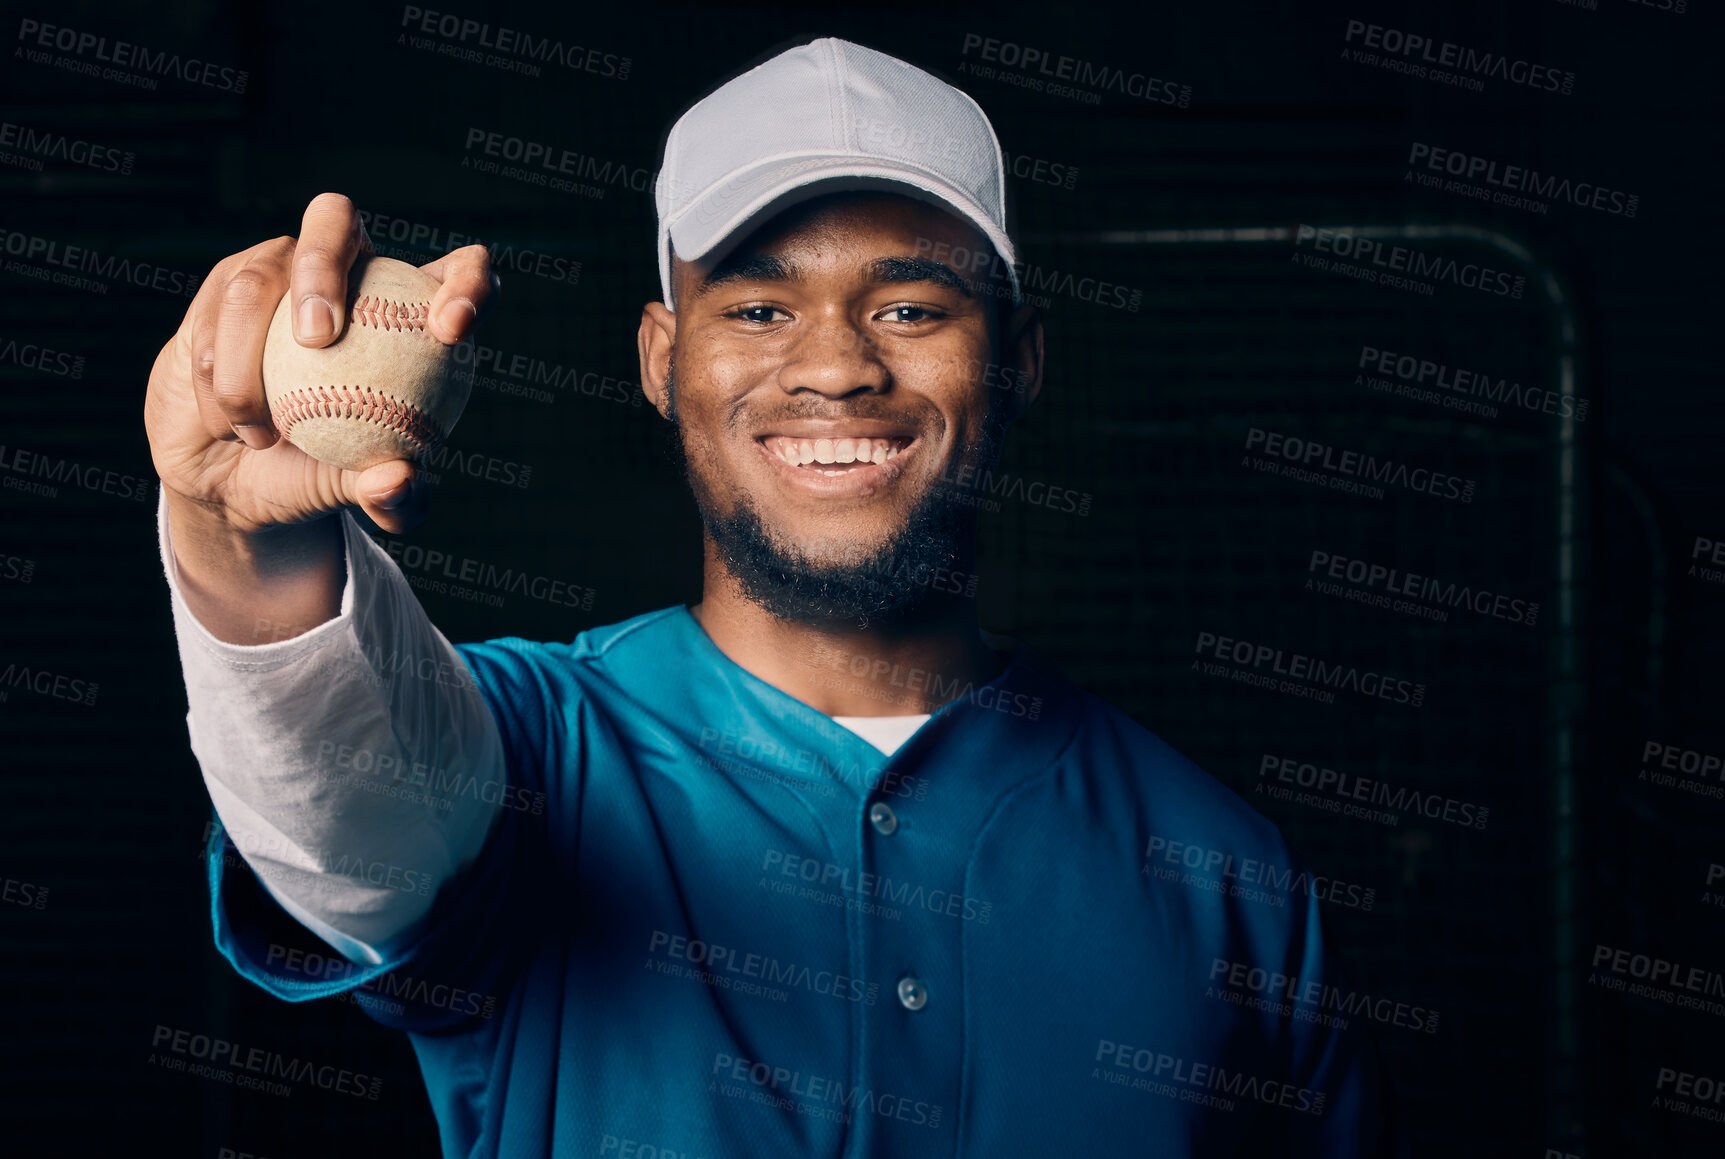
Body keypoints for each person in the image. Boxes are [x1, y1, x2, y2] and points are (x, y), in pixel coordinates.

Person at [148, 36, 1395, 1158]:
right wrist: (231, 538)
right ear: (660, 357)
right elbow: (345, 796)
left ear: (1017, 361)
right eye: (756, 305)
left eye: (911, 306)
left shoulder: (1226, 873)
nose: (838, 366)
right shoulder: (539, 754)